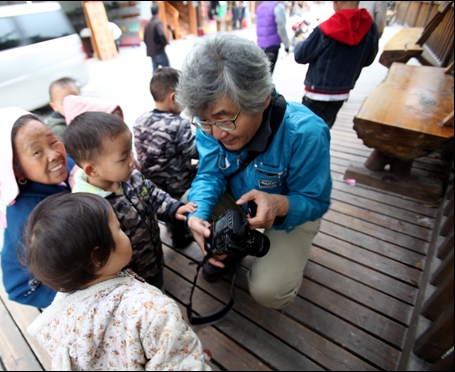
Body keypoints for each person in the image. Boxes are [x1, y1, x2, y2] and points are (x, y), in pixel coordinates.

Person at [175, 34, 332, 310]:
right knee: (193, 199)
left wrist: (279, 204)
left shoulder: (306, 133)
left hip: (288, 214)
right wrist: (197, 216)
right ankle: (230, 249)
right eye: (205, 121)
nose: (217, 133)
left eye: (226, 119)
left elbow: (315, 201)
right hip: (240, 203)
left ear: (262, 99)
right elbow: (210, 174)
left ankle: (275, 253)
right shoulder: (210, 125)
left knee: (269, 292)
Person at [24, 193, 212, 371]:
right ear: (98, 256)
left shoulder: (59, 318)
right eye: (119, 228)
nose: (124, 232)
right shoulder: (152, 310)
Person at [63, 104, 197, 290]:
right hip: (131, 281)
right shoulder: (89, 211)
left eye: (130, 151)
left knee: (159, 283)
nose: (133, 160)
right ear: (92, 170)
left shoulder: (130, 176)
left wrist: (173, 207)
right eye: (123, 157)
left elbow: (152, 193)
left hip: (153, 256)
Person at [0, 108, 76, 308]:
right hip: (36, 286)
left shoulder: (61, 167)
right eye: (36, 151)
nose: (54, 155)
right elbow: (22, 286)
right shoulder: (31, 216)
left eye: (52, 141)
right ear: (16, 170)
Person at [134, 67, 198, 248]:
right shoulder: (178, 124)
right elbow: (193, 152)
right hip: (177, 182)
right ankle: (180, 238)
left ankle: (170, 227)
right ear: (174, 97)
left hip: (152, 182)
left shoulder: (140, 120)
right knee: (179, 207)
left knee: (167, 206)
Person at [294, 1, 379, 129]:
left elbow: (301, 56)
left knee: (302, 131)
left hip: (316, 91)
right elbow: (368, 59)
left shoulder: (327, 28)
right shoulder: (370, 27)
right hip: (342, 91)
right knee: (324, 129)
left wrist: (300, 43)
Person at [45, 78, 123, 142]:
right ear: (54, 106)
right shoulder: (58, 130)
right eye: (64, 102)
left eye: (75, 98)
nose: (72, 104)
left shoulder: (86, 112)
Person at [256, 1, 290, 75]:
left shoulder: (260, 7)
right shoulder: (278, 7)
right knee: (268, 74)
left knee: (263, 74)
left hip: (261, 45)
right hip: (273, 46)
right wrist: (287, 45)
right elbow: (281, 28)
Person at [143, 3, 170, 73]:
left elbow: (145, 39)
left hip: (152, 52)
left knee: (155, 72)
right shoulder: (157, 22)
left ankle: (155, 84)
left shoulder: (148, 24)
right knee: (168, 71)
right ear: (158, 11)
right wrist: (165, 43)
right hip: (158, 50)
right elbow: (161, 33)